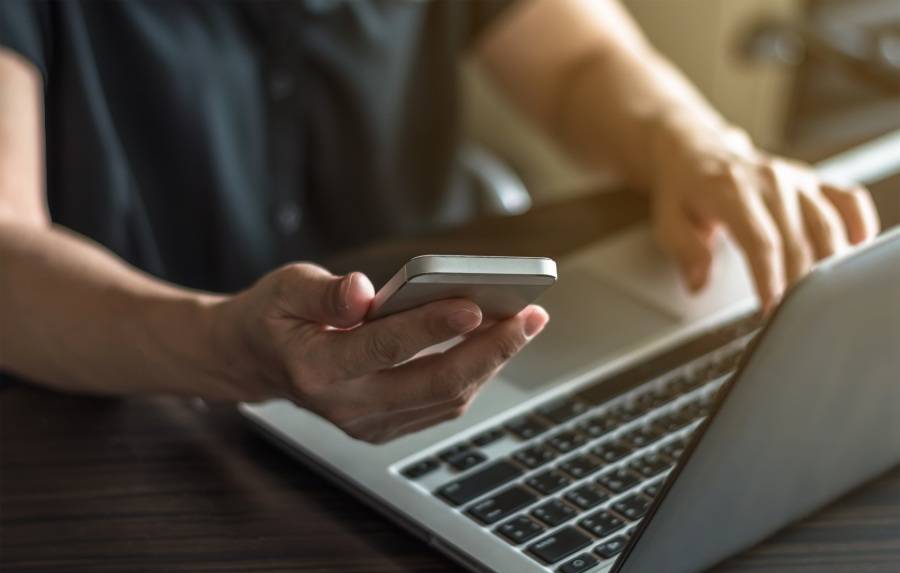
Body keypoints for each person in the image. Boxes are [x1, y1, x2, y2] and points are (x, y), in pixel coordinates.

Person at [0, 0, 880, 444]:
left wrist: (690, 141)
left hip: (447, 382)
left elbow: (573, 54)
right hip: (128, 419)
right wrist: (231, 348)